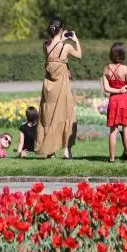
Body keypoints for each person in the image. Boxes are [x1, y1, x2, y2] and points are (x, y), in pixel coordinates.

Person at [35, 16, 81, 159]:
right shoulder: (66, 46)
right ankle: (67, 150)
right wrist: (75, 40)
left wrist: (60, 38)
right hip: (62, 86)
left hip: (48, 87)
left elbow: (53, 60)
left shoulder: (45, 45)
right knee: (66, 115)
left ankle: (50, 151)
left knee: (48, 116)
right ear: (61, 30)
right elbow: (79, 55)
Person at [102, 42, 127, 163]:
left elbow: (106, 88)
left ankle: (111, 158)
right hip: (125, 100)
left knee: (113, 130)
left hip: (113, 101)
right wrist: (122, 89)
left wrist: (116, 90)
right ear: (123, 54)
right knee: (126, 129)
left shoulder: (106, 68)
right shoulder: (125, 69)